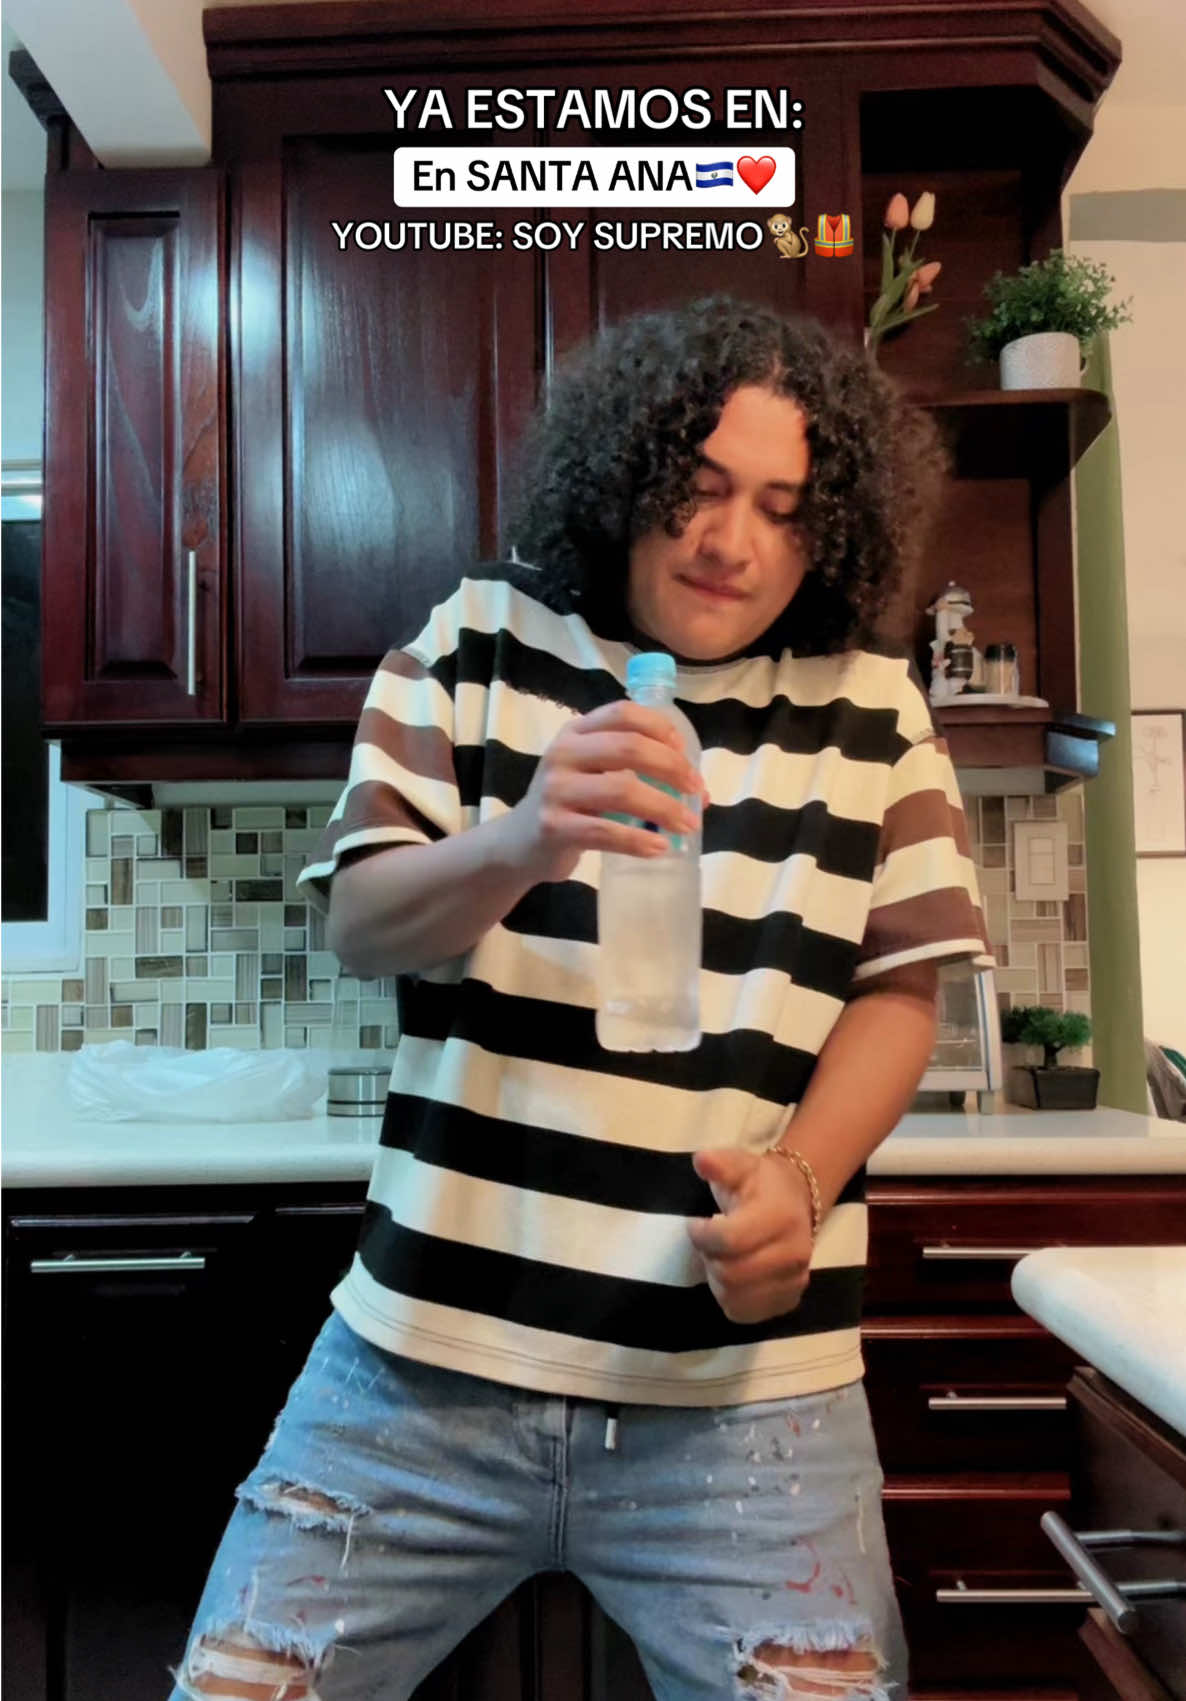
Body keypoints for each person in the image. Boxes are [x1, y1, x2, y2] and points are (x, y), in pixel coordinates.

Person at [168, 298, 992, 1701]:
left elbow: (898, 993)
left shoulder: (873, 708)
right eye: (699, 487)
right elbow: (363, 923)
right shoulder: (477, 639)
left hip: (748, 1404)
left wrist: (801, 1181)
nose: (732, 542)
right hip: (419, 1368)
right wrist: (526, 835)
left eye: (784, 509)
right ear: (626, 472)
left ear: (833, 529)